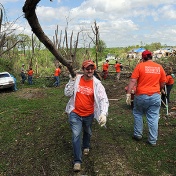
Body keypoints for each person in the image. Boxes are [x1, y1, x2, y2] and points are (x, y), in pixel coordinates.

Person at [64, 60, 109, 171]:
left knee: (88, 131)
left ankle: (86, 145)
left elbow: (103, 99)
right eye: (87, 68)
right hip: (75, 113)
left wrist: (103, 113)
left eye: (92, 68)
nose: (90, 71)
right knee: (76, 135)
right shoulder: (77, 79)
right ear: (83, 69)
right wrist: (71, 81)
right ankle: (77, 161)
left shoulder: (97, 84)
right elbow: (67, 93)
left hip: (89, 114)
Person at [126, 50, 166, 146]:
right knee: (153, 117)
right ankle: (152, 140)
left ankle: (138, 134)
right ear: (151, 57)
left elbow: (133, 81)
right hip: (155, 96)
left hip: (141, 95)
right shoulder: (159, 67)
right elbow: (163, 82)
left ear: (143, 58)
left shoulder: (140, 66)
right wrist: (159, 90)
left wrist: (128, 94)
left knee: (138, 113)